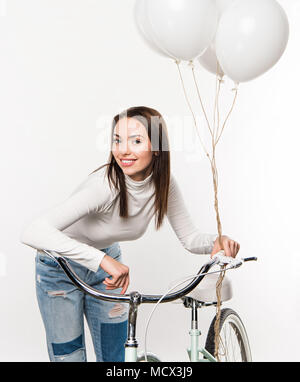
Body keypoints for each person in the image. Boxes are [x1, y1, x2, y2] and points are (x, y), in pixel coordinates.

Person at [20, 106, 240, 362]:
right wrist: (101, 260)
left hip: (107, 269)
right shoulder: (104, 186)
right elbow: (33, 231)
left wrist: (216, 241)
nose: (123, 150)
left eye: (136, 141)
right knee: (69, 357)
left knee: (116, 359)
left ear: (156, 147)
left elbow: (189, 237)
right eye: (117, 140)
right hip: (60, 269)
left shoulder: (163, 183)